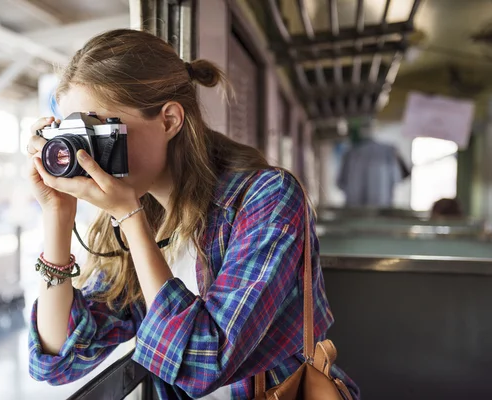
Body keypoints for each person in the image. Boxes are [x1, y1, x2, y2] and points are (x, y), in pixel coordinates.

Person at [25, 29, 359, 399]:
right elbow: (58, 360)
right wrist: (57, 216)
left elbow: (204, 365)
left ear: (169, 120)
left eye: (101, 130)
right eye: (78, 135)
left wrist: (130, 218)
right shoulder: (137, 213)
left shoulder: (268, 198)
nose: (89, 154)